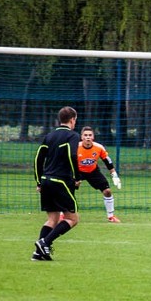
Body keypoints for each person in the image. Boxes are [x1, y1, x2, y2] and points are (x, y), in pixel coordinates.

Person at [32, 106, 81, 261]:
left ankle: (39, 254)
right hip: (60, 181)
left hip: (46, 181)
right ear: (72, 119)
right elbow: (73, 155)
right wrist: (76, 176)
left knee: (52, 219)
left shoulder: (50, 136)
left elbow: (38, 159)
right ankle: (45, 242)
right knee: (72, 219)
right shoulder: (72, 136)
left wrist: (39, 181)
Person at [77, 126, 122, 222]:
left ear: (93, 137)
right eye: (85, 135)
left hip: (93, 171)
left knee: (107, 191)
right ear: (82, 137)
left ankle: (111, 216)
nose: (88, 137)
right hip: (78, 171)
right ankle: (62, 214)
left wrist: (114, 175)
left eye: (90, 135)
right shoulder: (76, 147)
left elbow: (107, 161)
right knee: (67, 190)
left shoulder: (99, 147)